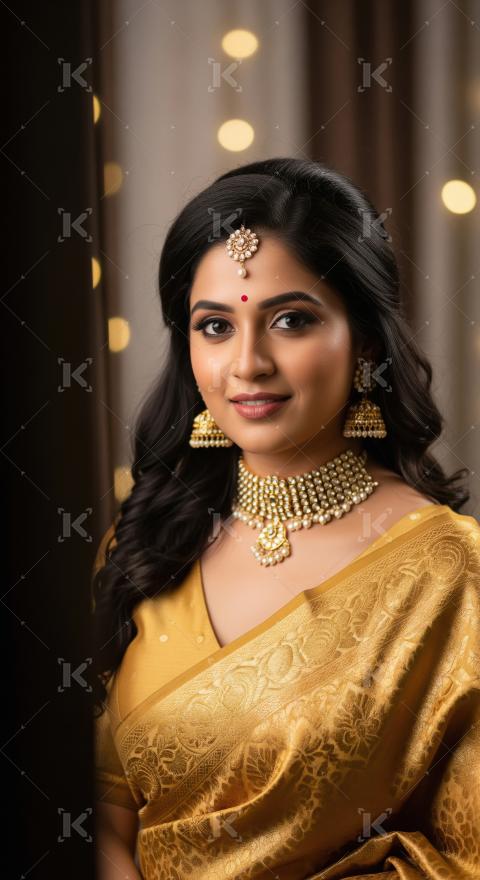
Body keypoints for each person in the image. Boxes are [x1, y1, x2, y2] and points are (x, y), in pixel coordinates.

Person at [92, 157, 480, 880]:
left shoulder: (451, 574)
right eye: (215, 326)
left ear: (364, 342)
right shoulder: (144, 543)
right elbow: (104, 816)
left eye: (291, 321)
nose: (247, 364)